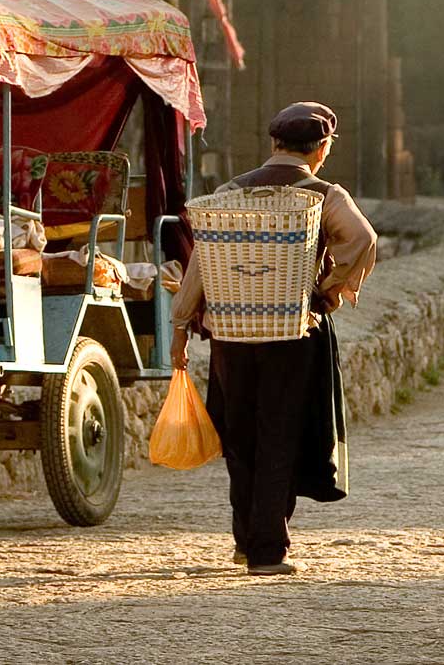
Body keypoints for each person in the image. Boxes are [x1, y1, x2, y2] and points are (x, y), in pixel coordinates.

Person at [166, 102, 377, 576]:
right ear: (321, 149)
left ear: (273, 144)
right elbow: (362, 239)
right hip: (293, 332)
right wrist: (327, 290)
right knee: (280, 434)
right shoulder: (324, 194)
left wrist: (181, 327)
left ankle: (246, 541)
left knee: (239, 435)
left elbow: (199, 266)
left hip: (231, 334)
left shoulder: (228, 193)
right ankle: (267, 550)